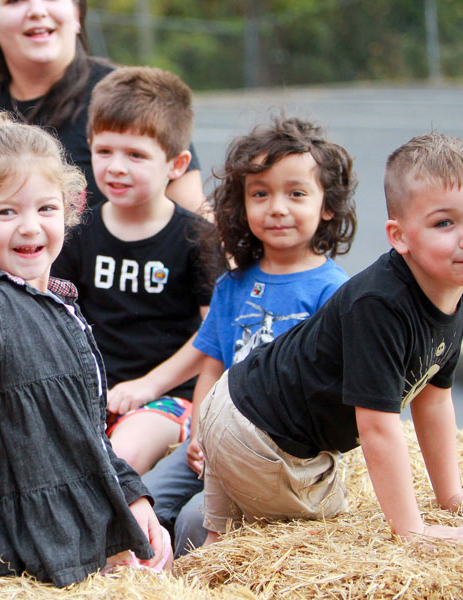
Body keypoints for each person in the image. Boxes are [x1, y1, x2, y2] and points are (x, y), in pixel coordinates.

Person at [0, 112, 170, 587]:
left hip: (66, 519)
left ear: (68, 212)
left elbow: (84, 430)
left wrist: (133, 497)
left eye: (45, 209)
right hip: (4, 533)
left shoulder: (63, 301)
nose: (29, 226)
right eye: (6, 212)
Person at [196, 132, 463, 545]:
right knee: (339, 527)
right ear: (399, 236)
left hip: (238, 400)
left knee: (219, 547)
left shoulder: (449, 294)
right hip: (259, 435)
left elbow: (434, 398)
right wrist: (414, 531)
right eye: (444, 223)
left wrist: (451, 498)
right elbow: (377, 429)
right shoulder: (382, 304)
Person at [141, 116, 356, 557]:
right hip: (213, 442)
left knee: (193, 521)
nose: (277, 207)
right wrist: (199, 433)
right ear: (242, 204)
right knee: (142, 500)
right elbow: (213, 366)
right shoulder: (232, 286)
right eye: (260, 194)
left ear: (327, 204)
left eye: (296, 193)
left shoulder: (335, 293)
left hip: (275, 459)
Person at [51, 67, 211, 476]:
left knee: (116, 462)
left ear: (177, 163)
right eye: (104, 151)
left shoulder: (198, 238)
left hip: (167, 400)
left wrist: (149, 386)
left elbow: (215, 334)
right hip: (91, 397)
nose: (116, 167)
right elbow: (54, 317)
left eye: (136, 155)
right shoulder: (74, 232)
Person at [0, 0, 204, 211]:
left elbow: (195, 220)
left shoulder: (131, 97)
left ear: (76, 14)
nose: (37, 10)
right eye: (15, 0)